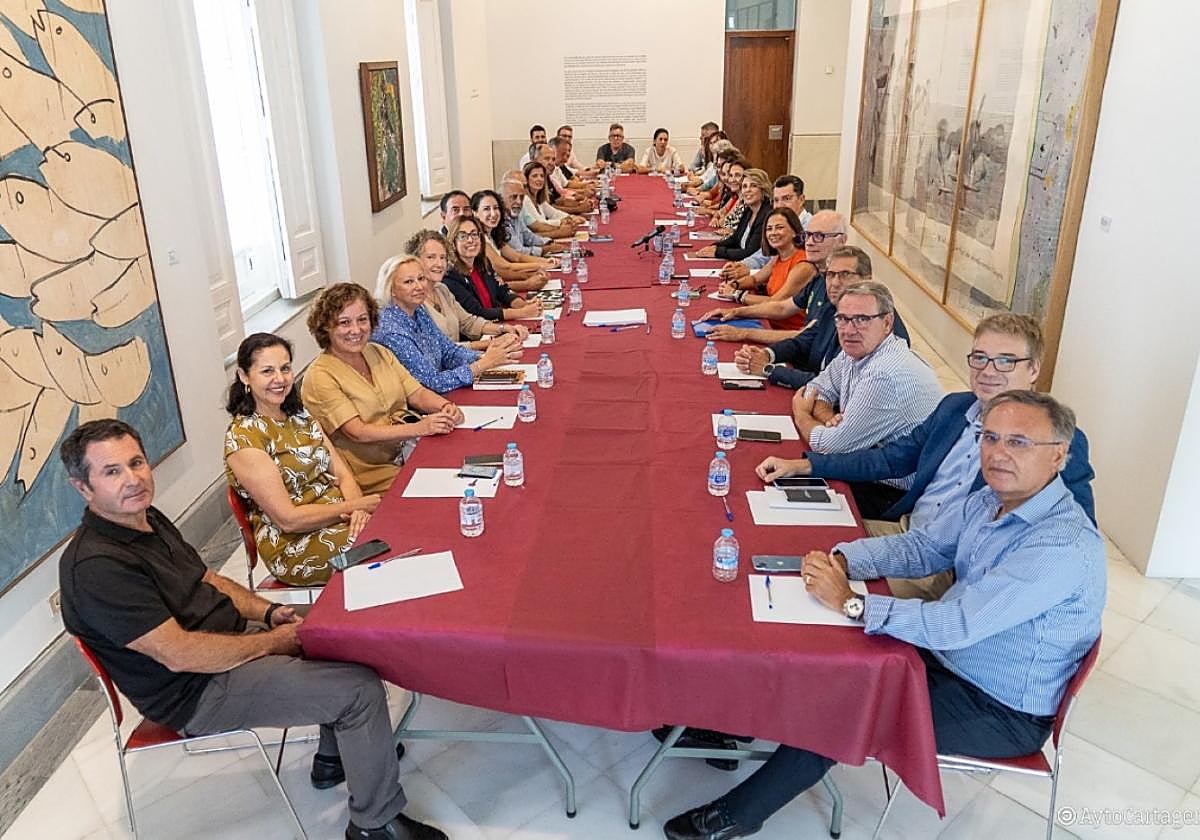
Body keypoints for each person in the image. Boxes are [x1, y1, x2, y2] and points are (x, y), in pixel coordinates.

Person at [664, 390, 1105, 840]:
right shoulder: (989, 501)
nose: (998, 453)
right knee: (822, 651)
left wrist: (852, 603)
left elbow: (957, 624)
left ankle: (737, 815)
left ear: (1059, 455)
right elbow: (925, 547)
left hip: (998, 706)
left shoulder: (1060, 546)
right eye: (990, 437)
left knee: (847, 706)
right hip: (948, 658)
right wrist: (844, 559)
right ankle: (727, 721)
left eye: (1019, 442)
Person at [58, 419, 446, 840]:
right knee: (358, 691)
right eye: (112, 471)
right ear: (83, 487)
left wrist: (269, 612)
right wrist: (273, 642)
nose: (133, 479)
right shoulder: (97, 567)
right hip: (194, 690)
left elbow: (208, 579)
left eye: (136, 463)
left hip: (228, 643)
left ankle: (334, 758)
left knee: (342, 633)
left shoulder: (145, 517)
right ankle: (375, 824)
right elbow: (179, 653)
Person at [759, 312, 1097, 597]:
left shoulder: (1056, 441)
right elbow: (890, 459)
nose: (988, 370)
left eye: (1006, 361)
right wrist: (807, 465)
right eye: (980, 357)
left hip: (947, 569)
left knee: (810, 597)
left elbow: (1071, 534)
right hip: (905, 534)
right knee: (796, 544)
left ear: (1034, 370)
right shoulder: (955, 408)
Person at [223, 333, 378, 586]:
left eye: (285, 369)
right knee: (381, 547)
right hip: (295, 545)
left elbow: (342, 474)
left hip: (340, 517)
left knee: (397, 530)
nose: (280, 379)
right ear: (244, 376)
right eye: (267, 371)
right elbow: (289, 520)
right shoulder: (244, 439)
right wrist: (353, 507)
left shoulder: (300, 416)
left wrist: (359, 510)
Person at [301, 282, 464, 495]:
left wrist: (445, 406)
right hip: (371, 475)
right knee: (448, 489)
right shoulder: (319, 376)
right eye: (344, 323)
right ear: (325, 327)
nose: (356, 330)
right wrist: (420, 428)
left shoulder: (378, 352)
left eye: (362, 320)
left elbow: (417, 393)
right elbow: (358, 433)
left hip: (409, 450)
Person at [791, 282, 942, 470]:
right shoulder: (856, 350)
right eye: (842, 319)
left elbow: (830, 447)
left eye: (861, 319)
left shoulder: (884, 374)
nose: (848, 331)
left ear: (887, 323)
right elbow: (816, 389)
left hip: (888, 483)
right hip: (867, 466)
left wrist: (802, 415)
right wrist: (829, 418)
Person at [729, 246, 909, 381]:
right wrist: (768, 354)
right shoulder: (834, 306)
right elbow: (803, 341)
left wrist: (769, 370)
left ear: (866, 279)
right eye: (831, 275)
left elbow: (832, 386)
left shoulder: (876, 325)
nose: (835, 283)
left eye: (845, 274)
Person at [372, 255, 523, 394]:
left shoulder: (418, 310)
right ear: (391, 289)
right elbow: (432, 382)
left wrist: (486, 356)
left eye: (421, 278)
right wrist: (483, 364)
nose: (419, 286)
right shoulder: (391, 330)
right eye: (408, 282)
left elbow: (448, 351)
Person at [698, 210, 849, 345]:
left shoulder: (815, 272)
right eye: (808, 235)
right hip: (782, 335)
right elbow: (779, 305)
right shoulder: (818, 276)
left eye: (818, 236)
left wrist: (738, 302)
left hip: (790, 341)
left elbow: (801, 330)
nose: (809, 243)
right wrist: (735, 306)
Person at [404, 229, 529, 350]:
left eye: (442, 257)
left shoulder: (442, 289)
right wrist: (490, 343)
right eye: (431, 257)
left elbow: (468, 322)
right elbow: (441, 350)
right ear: (415, 260)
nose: (439, 264)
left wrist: (504, 329)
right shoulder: (413, 302)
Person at [715, 207, 814, 332]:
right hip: (768, 320)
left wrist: (737, 294)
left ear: (794, 231)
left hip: (787, 331)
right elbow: (755, 280)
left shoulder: (803, 265)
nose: (773, 233)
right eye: (769, 229)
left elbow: (775, 303)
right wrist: (734, 284)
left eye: (779, 227)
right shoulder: (778, 257)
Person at [442, 215, 543, 322]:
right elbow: (477, 312)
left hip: (496, 322)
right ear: (453, 243)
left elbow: (502, 291)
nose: (470, 240)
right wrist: (522, 312)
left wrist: (524, 304)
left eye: (474, 234)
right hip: (481, 330)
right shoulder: (451, 277)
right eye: (463, 236)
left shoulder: (484, 264)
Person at [721, 175, 811, 281]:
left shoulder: (810, 228)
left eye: (786, 199)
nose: (780, 205)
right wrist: (741, 265)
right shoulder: (776, 221)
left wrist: (750, 271)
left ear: (801, 199)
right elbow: (763, 255)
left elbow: (789, 270)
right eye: (776, 200)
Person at [470, 187, 552, 292]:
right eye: (486, 209)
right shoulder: (478, 239)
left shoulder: (494, 234)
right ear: (475, 213)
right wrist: (542, 265)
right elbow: (506, 267)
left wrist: (547, 261)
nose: (493, 213)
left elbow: (517, 257)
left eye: (496, 208)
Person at [696, 168, 771, 262]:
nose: (747, 190)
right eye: (744, 186)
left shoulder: (766, 215)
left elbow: (749, 252)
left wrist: (718, 252)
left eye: (753, 186)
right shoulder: (749, 210)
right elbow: (735, 238)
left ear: (763, 188)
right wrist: (714, 246)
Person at [500, 175, 566, 257]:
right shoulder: (501, 220)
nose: (519, 201)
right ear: (501, 199)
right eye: (514, 197)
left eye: (521, 197)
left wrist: (548, 242)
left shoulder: (515, 215)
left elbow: (529, 237)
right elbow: (519, 251)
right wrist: (546, 249)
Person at [522, 160, 583, 237]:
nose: (539, 179)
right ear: (526, 180)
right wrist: (561, 222)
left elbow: (554, 213)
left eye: (542, 176)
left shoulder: (538, 198)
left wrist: (570, 217)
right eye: (534, 176)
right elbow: (539, 224)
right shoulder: (525, 199)